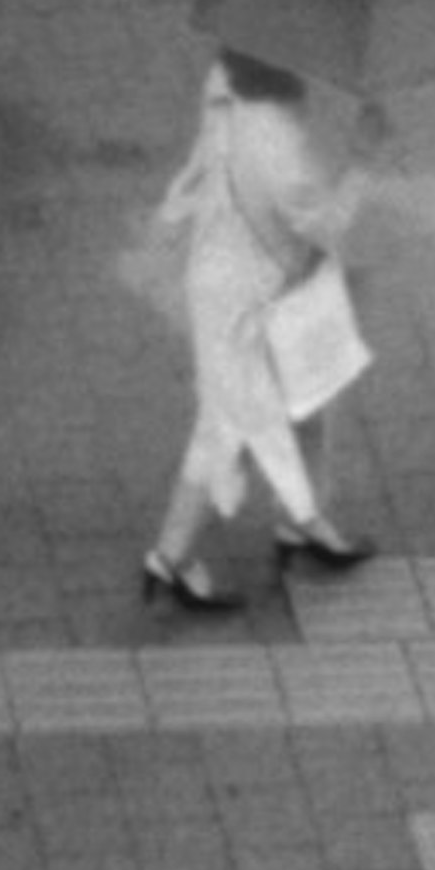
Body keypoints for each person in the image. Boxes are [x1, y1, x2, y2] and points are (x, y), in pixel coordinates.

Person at [133, 50, 379, 617]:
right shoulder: (280, 148)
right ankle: (177, 560)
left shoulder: (223, 82)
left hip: (216, 272)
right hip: (258, 296)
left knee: (270, 407)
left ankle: (293, 523)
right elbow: (327, 225)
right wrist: (364, 156)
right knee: (235, 422)